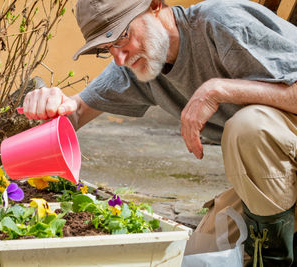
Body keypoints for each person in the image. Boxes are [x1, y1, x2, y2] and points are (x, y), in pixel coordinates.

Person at [22, 0, 297, 265]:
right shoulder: (140, 67)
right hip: (276, 171)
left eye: (121, 37)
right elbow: (77, 110)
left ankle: (275, 260)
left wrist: (218, 89)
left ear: (155, 6)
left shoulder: (220, 21)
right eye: (107, 48)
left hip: (279, 152)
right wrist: (51, 105)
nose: (119, 58)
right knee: (195, 257)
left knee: (248, 125)